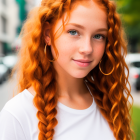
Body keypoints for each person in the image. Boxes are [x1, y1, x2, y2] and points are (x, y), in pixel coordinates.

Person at [0, 0, 134, 140]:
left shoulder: (109, 101)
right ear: (48, 34)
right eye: (73, 32)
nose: (87, 48)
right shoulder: (17, 115)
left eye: (98, 36)